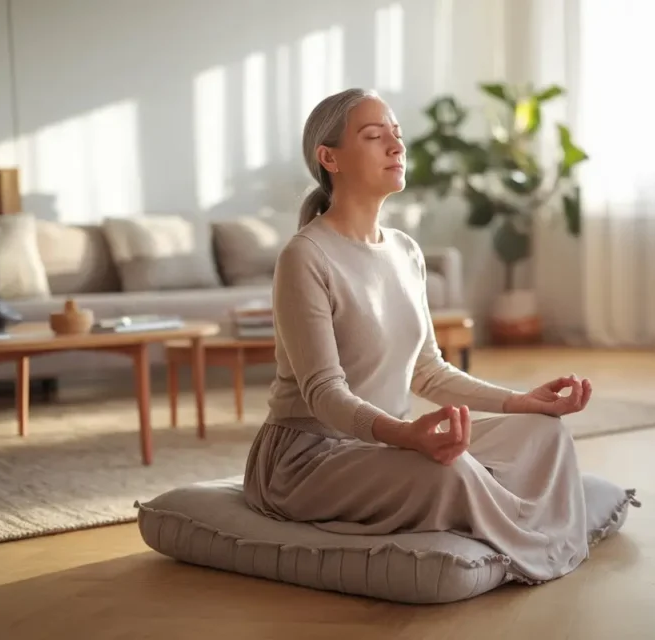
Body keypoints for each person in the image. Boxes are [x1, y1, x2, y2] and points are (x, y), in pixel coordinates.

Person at [243, 87, 634, 585]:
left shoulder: (405, 251)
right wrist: (406, 437)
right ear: (329, 157)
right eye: (373, 135)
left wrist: (522, 403)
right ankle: (525, 529)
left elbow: (428, 370)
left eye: (397, 135)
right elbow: (324, 395)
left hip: (383, 452)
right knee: (448, 470)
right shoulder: (305, 256)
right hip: (308, 460)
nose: (396, 146)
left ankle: (501, 512)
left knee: (544, 434)